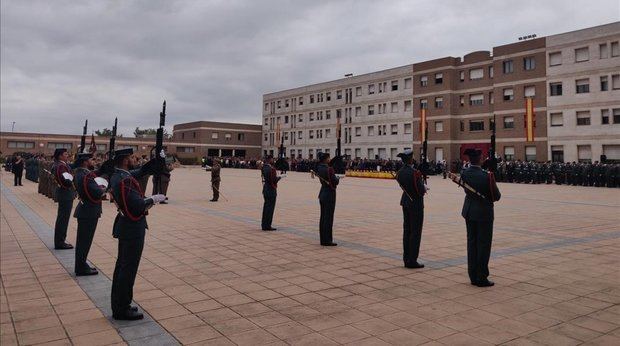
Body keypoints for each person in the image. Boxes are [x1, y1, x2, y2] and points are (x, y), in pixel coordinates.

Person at [109, 148, 165, 320]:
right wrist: (153, 199)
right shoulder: (124, 180)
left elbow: (142, 170)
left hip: (126, 225)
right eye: (132, 157)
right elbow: (138, 205)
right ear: (126, 160)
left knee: (122, 267)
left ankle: (120, 303)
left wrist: (157, 160)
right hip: (132, 227)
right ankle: (121, 308)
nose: (134, 159)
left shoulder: (119, 174)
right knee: (128, 269)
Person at [460, 148, 501, 287]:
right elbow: (496, 196)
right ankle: (481, 276)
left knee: (471, 244)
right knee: (483, 245)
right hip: (484, 213)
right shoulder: (486, 176)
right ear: (481, 159)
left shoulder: (464, 173)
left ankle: (473, 275)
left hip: (469, 211)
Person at [72, 153, 111, 276]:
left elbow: (94, 175)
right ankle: (81, 267)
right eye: (91, 160)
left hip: (86, 210)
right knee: (84, 242)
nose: (93, 162)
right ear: (85, 162)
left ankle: (82, 264)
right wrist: (105, 188)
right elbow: (96, 191)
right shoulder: (85, 175)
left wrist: (103, 170)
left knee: (83, 241)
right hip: (88, 211)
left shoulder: (80, 173)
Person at [396, 150, 427, 268]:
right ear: (410, 159)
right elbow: (420, 191)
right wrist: (424, 188)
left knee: (407, 230)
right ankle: (412, 260)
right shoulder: (415, 173)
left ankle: (406, 258)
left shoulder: (400, 172)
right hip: (415, 204)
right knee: (415, 232)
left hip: (405, 202)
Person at [51, 148, 75, 250]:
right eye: (65, 154)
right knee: (63, 219)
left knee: (62, 218)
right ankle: (60, 242)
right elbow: (67, 180)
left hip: (65, 193)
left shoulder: (60, 164)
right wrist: (74, 182)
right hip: (65, 194)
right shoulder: (60, 166)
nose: (67, 155)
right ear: (60, 156)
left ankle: (60, 241)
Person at [316, 152, 338, 246]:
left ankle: (323, 239)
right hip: (329, 194)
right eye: (328, 158)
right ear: (325, 159)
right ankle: (327, 240)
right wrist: (338, 179)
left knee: (323, 217)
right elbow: (334, 181)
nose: (329, 159)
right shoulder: (329, 169)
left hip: (322, 193)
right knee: (328, 218)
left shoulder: (320, 167)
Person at [261, 155, 279, 230]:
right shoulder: (270, 169)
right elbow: (273, 180)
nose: (273, 160)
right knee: (270, 208)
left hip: (265, 189)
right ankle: (267, 225)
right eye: (272, 159)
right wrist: (279, 178)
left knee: (266, 208)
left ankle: (264, 224)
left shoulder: (264, 167)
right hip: (271, 190)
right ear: (269, 160)